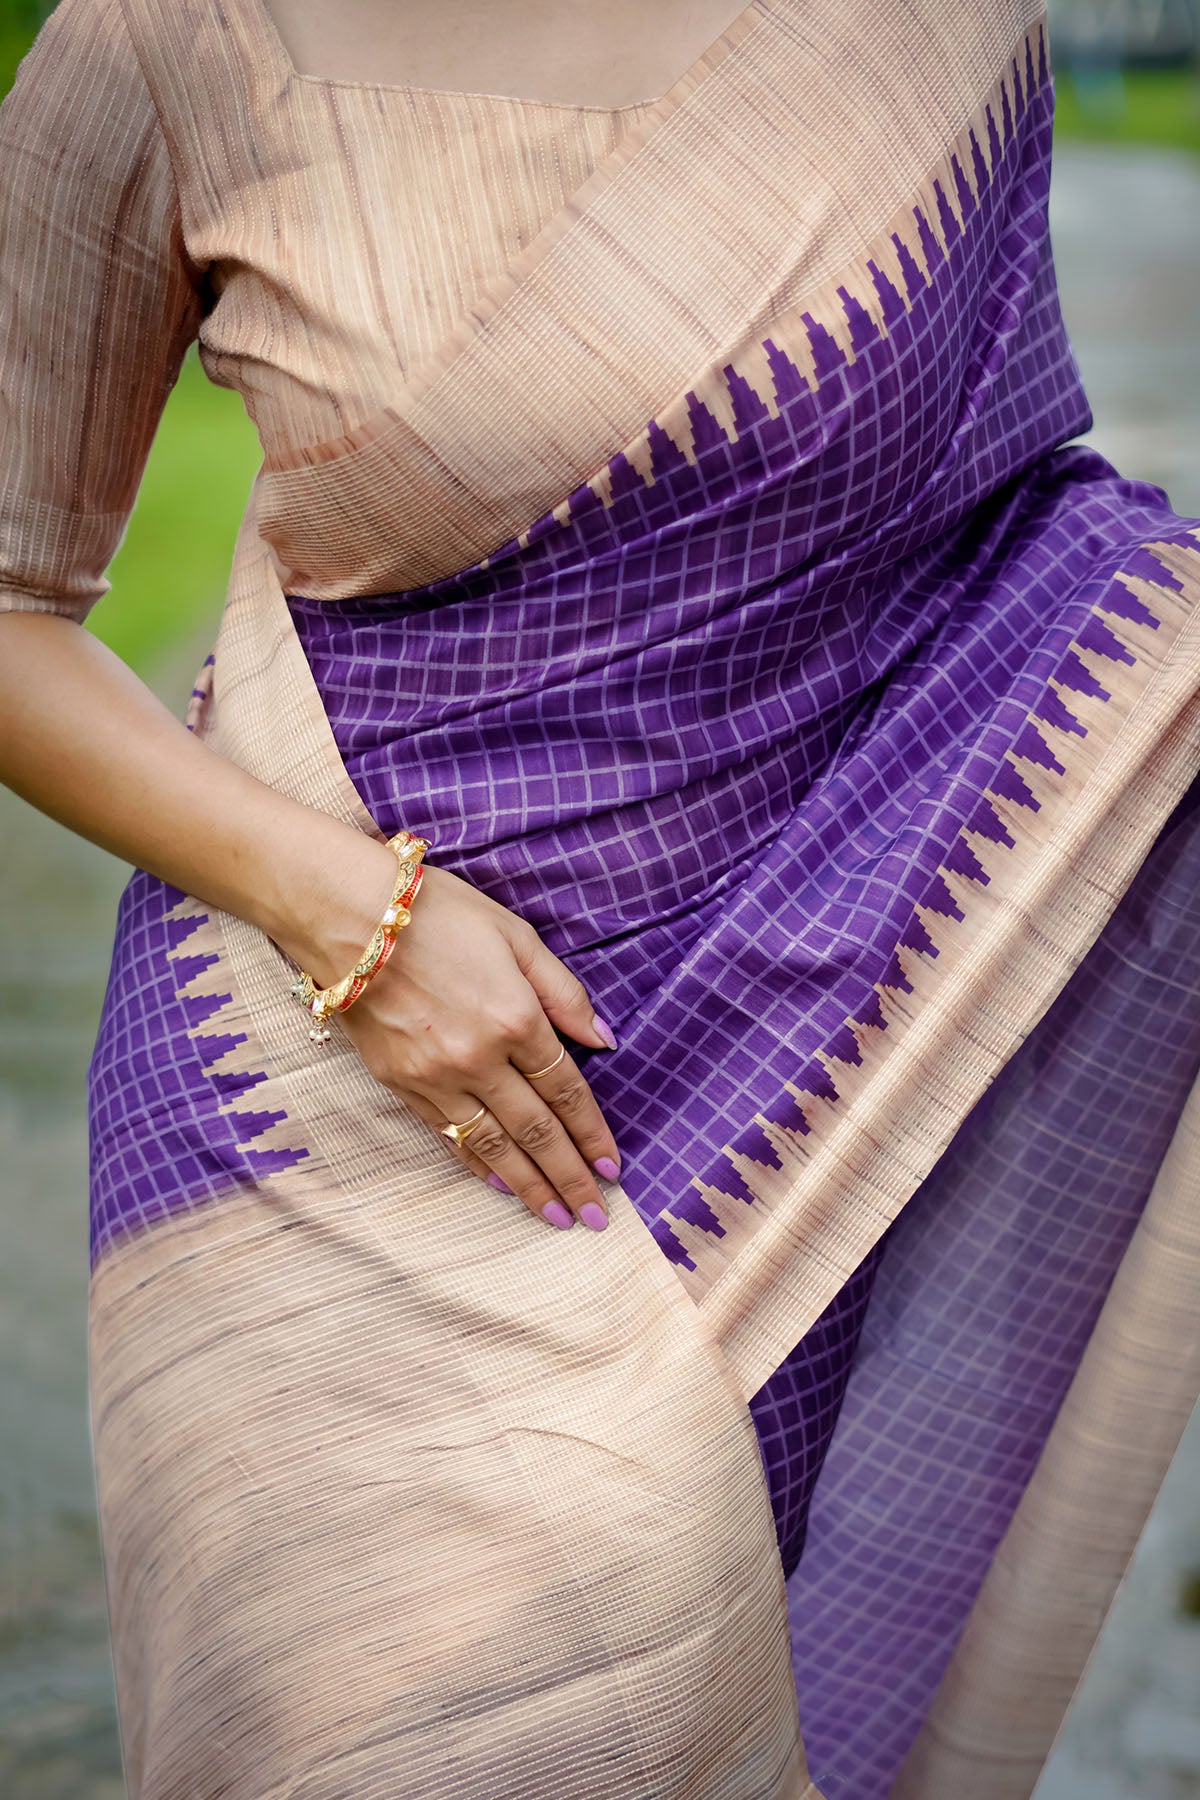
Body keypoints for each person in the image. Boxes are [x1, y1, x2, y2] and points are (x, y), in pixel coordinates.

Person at [2, 0, 1198, 1794]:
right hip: (300, 1097)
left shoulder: (923, 34)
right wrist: (351, 917)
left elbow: (1011, 560)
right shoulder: (166, 40)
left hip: (794, 1092)